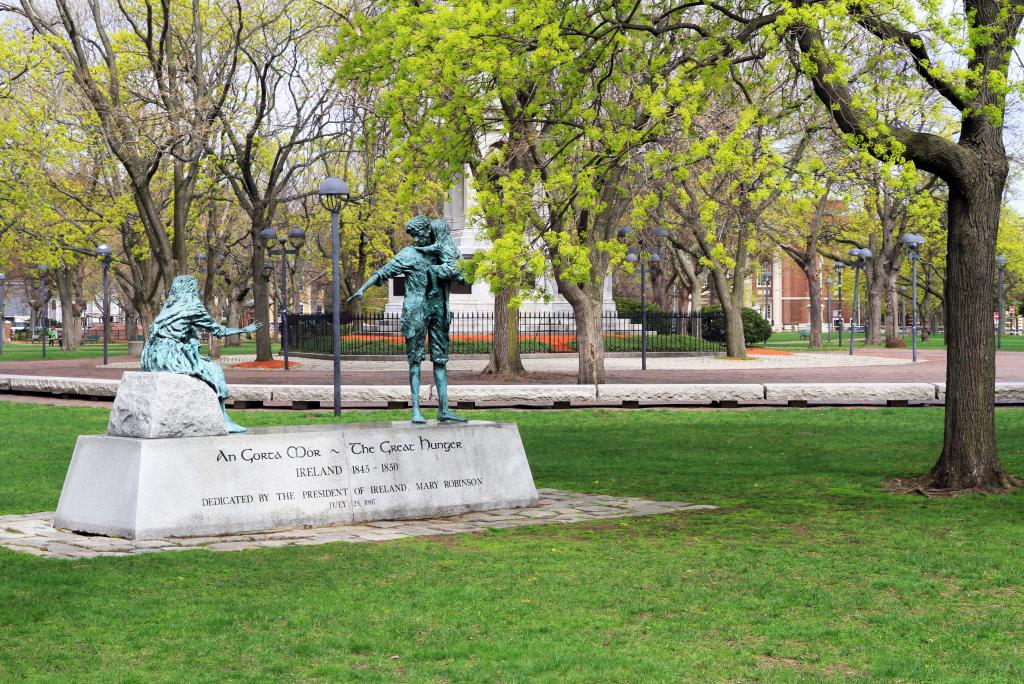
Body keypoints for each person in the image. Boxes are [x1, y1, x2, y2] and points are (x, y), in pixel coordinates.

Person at [348, 216, 468, 424]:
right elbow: (384, 271)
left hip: (439, 311)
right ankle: (416, 410)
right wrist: (362, 289)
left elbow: (461, 273)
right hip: (416, 312)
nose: (416, 238)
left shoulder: (442, 252)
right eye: (413, 235)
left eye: (419, 233)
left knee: (440, 361)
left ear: (427, 230)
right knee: (415, 361)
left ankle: (444, 410)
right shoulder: (409, 254)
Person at [141, 275, 262, 433]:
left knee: (203, 364)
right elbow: (217, 330)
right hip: (170, 355)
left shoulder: (169, 306)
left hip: (151, 356)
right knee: (214, 370)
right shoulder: (192, 306)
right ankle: (223, 419)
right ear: (192, 289)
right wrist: (244, 329)